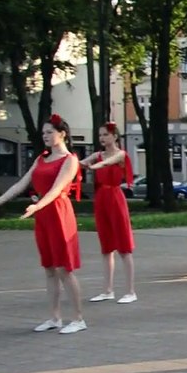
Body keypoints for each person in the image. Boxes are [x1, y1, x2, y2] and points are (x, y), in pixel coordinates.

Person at [0, 113, 87, 334]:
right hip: (43, 214)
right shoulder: (41, 158)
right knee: (49, 269)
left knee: (64, 269)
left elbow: (56, 190)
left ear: (62, 134)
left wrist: (37, 205)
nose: (45, 136)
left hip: (59, 213)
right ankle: (55, 318)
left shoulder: (70, 160)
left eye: (49, 132)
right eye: (43, 132)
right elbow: (20, 185)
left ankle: (78, 319)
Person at [81, 122, 137, 304]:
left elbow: (108, 162)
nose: (102, 138)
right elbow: (83, 162)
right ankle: (107, 290)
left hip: (115, 198)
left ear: (115, 136)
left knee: (124, 247)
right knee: (106, 248)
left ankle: (130, 291)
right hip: (101, 199)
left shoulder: (120, 154)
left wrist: (95, 166)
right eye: (100, 135)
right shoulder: (98, 155)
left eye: (105, 134)